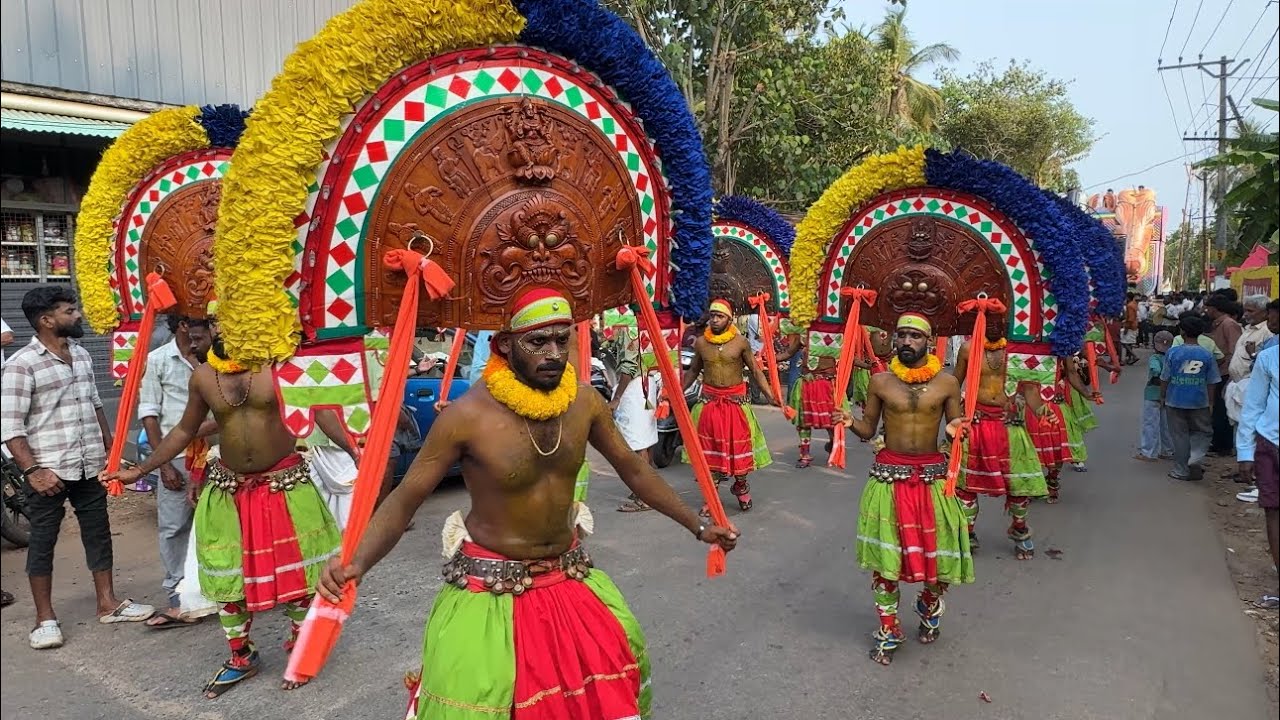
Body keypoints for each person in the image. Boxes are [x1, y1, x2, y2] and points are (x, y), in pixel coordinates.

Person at [316, 288, 738, 718]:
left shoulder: (585, 403)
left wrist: (698, 525)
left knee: (616, 662)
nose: (554, 353)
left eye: (562, 338)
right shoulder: (466, 416)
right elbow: (406, 497)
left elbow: (634, 469)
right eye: (537, 342)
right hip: (488, 594)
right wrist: (357, 563)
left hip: (569, 580)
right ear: (505, 345)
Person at [101, 314, 342, 698]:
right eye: (221, 322)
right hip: (228, 489)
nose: (229, 327)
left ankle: (301, 648)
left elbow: (322, 412)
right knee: (228, 582)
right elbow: (183, 429)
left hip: (284, 484)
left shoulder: (281, 363)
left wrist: (361, 453)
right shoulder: (203, 377)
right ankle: (242, 657)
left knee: (300, 578)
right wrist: (144, 468)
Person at [1, 286, 155, 650]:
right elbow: (11, 427)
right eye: (70, 310)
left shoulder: (82, 355)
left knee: (98, 531)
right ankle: (45, 619)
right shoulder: (22, 364)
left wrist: (110, 447)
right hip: (49, 473)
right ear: (46, 320)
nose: (78, 315)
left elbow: (96, 403)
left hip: (88, 466)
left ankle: (108, 602)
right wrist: (33, 471)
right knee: (42, 541)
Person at [833, 313, 972, 665]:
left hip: (932, 479)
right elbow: (868, 429)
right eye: (901, 336)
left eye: (914, 336)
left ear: (929, 341)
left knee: (936, 561)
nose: (906, 342)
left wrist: (958, 430)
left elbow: (955, 425)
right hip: (888, 478)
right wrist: (851, 423)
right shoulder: (880, 381)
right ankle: (889, 629)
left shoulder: (947, 384)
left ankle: (928, 607)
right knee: (886, 561)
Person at [136, 314, 217, 629]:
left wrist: (202, 431)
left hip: (218, 455)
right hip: (178, 458)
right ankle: (179, 597)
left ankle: (221, 590)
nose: (203, 336)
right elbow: (150, 415)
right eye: (199, 329)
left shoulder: (217, 357)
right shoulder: (158, 360)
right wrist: (164, 463)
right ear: (184, 327)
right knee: (174, 528)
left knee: (217, 526)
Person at [951, 316, 1049, 560]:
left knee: (1018, 485)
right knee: (967, 485)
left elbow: (1029, 390)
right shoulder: (967, 348)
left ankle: (1020, 530)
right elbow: (954, 384)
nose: (994, 326)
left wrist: (1041, 411)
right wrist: (952, 419)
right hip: (976, 424)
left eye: (1000, 321)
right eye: (989, 321)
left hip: (1010, 425)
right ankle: (968, 534)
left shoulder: (1018, 351)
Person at [684, 298, 776, 511]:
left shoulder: (741, 342)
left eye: (720, 316)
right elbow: (693, 371)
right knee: (710, 454)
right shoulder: (701, 343)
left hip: (735, 405)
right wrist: (676, 392)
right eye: (712, 316)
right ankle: (712, 499)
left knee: (739, 454)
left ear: (730, 319)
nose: (715, 320)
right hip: (709, 404)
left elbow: (755, 370)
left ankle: (741, 487)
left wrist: (770, 395)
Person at [776, 318, 854, 468]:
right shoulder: (803, 333)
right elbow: (789, 353)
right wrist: (771, 359)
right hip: (807, 383)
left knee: (832, 421)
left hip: (827, 385)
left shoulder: (834, 334)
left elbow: (848, 356)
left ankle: (834, 445)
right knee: (804, 422)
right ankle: (805, 454)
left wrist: (868, 364)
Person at [1236, 302, 1279, 574]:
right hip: (1270, 443)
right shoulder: (1269, 358)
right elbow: (1253, 406)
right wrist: (1244, 453)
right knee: (1273, 511)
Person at [1161, 315, 1222, 482]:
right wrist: (1210, 402)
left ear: (1182, 332)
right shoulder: (1207, 354)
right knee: (1203, 432)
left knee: (1179, 435)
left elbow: (1165, 377)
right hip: (1199, 400)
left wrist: (1162, 396)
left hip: (1174, 399)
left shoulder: (1173, 352)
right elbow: (1212, 381)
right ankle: (1195, 457)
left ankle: (1180, 470)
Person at [611, 324, 660, 512]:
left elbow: (628, 368)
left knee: (638, 443)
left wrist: (616, 398)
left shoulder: (629, 329)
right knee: (645, 441)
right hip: (648, 384)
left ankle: (645, 496)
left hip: (636, 388)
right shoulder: (644, 325)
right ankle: (648, 489)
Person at [1203, 295, 1243, 456]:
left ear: (1215, 308)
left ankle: (1224, 446)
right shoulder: (1217, 324)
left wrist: (1232, 373)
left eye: (1209, 308)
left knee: (1222, 410)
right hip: (1217, 371)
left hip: (1226, 371)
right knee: (1217, 409)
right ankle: (1218, 442)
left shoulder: (1229, 324)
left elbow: (1235, 350)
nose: (1207, 311)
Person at [1136, 331, 1176, 462]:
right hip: (1169, 394)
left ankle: (1148, 453)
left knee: (1150, 424)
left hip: (1153, 393)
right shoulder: (1173, 357)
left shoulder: (1155, 358)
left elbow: (1155, 370)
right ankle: (1168, 451)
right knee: (1167, 425)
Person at [1120, 293, 1140, 365]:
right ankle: (1129, 358)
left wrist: (1126, 328)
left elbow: (1130, 319)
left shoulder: (1130, 306)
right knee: (1129, 343)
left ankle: (1134, 356)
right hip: (1134, 325)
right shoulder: (1134, 304)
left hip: (1130, 326)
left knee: (1124, 342)